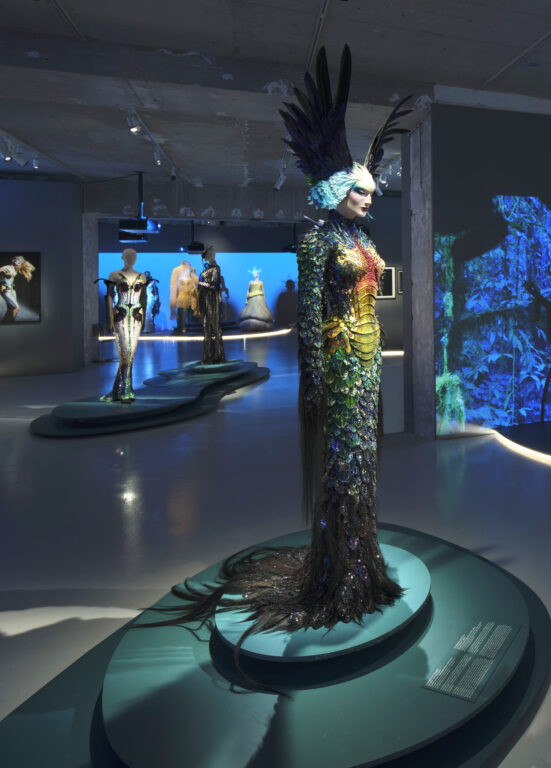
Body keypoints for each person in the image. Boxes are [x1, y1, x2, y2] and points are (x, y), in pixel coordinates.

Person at [149, 46, 410, 634]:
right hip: (340, 361)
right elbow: (312, 315)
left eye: (372, 191)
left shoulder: (363, 241)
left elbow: (368, 297)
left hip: (367, 360)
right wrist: (313, 379)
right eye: (361, 191)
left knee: (365, 460)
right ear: (336, 189)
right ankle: (339, 571)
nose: (370, 199)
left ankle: (362, 559)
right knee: (343, 461)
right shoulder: (317, 242)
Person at [95, 248, 156, 402]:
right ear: (123, 257)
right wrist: (109, 318)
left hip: (136, 316)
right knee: (124, 354)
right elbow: (109, 296)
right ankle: (126, 391)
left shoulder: (141, 276)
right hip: (120, 315)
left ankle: (116, 391)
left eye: (133, 256)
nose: (131, 258)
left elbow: (143, 299)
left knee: (130, 355)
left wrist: (143, 318)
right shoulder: (114, 275)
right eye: (128, 256)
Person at [197, 247, 228, 363]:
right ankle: (208, 355)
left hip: (212, 300)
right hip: (206, 299)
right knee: (207, 328)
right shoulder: (209, 268)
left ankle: (217, 355)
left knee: (214, 326)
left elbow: (214, 285)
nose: (205, 256)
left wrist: (199, 283)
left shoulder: (215, 268)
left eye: (208, 254)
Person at [0, 255, 36, 322]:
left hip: (11, 290)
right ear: (16, 263)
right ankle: (9, 322)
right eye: (19, 264)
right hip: (5, 290)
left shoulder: (15, 269)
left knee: (10, 308)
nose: (20, 266)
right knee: (16, 307)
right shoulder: (6, 267)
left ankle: (5, 322)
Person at [169, 259, 199, 334]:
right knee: (182, 316)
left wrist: (191, 271)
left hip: (192, 298)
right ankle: (181, 329)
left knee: (192, 319)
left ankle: (188, 329)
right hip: (182, 297)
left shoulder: (192, 269)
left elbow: (196, 282)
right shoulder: (176, 270)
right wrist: (173, 305)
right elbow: (173, 287)